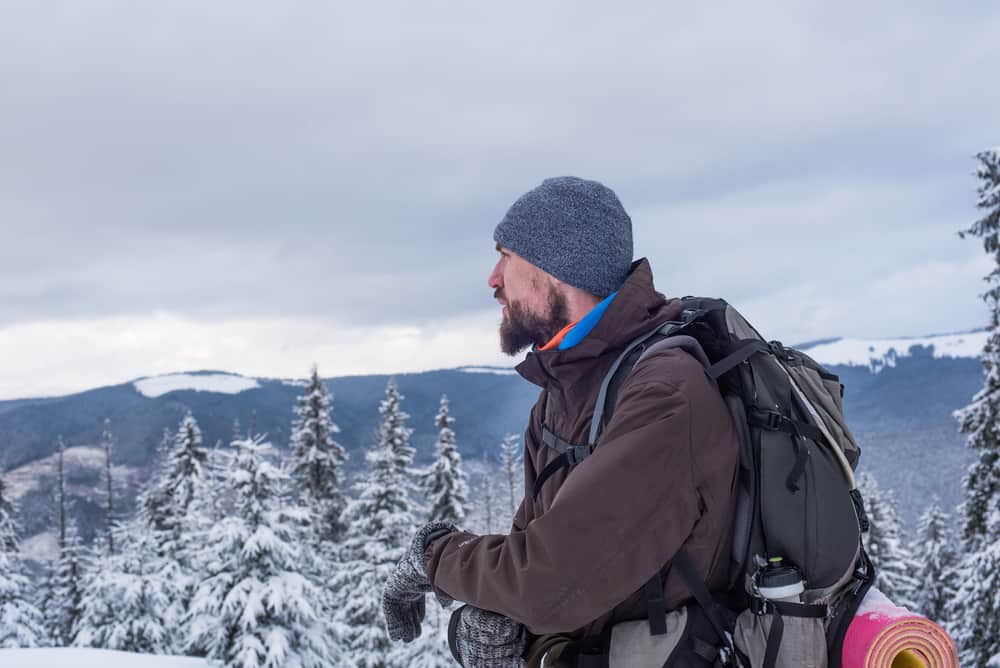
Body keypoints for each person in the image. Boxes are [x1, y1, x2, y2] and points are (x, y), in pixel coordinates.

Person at [383, 176, 741, 667]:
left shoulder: (664, 394)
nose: (493, 279)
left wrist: (434, 558)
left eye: (506, 256)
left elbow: (547, 583)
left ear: (557, 268)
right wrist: (499, 617)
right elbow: (537, 553)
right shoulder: (566, 392)